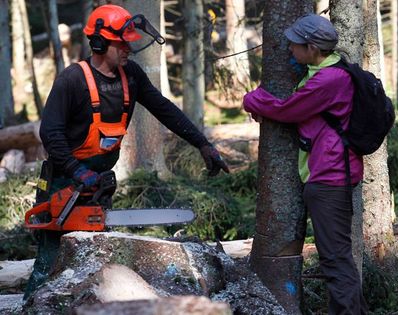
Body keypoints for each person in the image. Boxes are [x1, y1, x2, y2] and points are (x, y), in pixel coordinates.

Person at [24, 4, 229, 300]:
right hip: (63, 182)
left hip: (98, 184)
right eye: (122, 44)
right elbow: (50, 133)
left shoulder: (130, 76)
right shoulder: (73, 79)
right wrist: (76, 169)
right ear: (99, 43)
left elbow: (163, 108)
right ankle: (33, 305)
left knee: (92, 262)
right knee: (49, 262)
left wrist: (202, 143)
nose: (128, 49)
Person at [243, 13, 368, 315]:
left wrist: (253, 100)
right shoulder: (327, 72)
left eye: (296, 45)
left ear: (312, 48)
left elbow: (290, 111)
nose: (290, 50)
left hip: (330, 179)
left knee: (336, 261)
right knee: (338, 258)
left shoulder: (328, 79)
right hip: (330, 174)